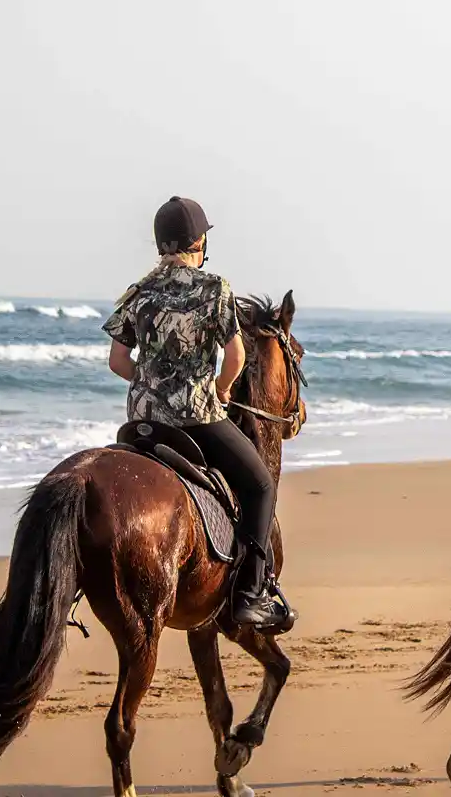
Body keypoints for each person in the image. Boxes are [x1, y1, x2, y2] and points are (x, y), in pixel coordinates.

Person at [102, 196, 291, 630]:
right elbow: (237, 359)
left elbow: (116, 361)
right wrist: (221, 390)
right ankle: (250, 594)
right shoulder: (214, 289)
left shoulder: (139, 292)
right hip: (196, 419)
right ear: (199, 242)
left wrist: (151, 383)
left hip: (141, 423)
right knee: (261, 485)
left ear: (161, 245)